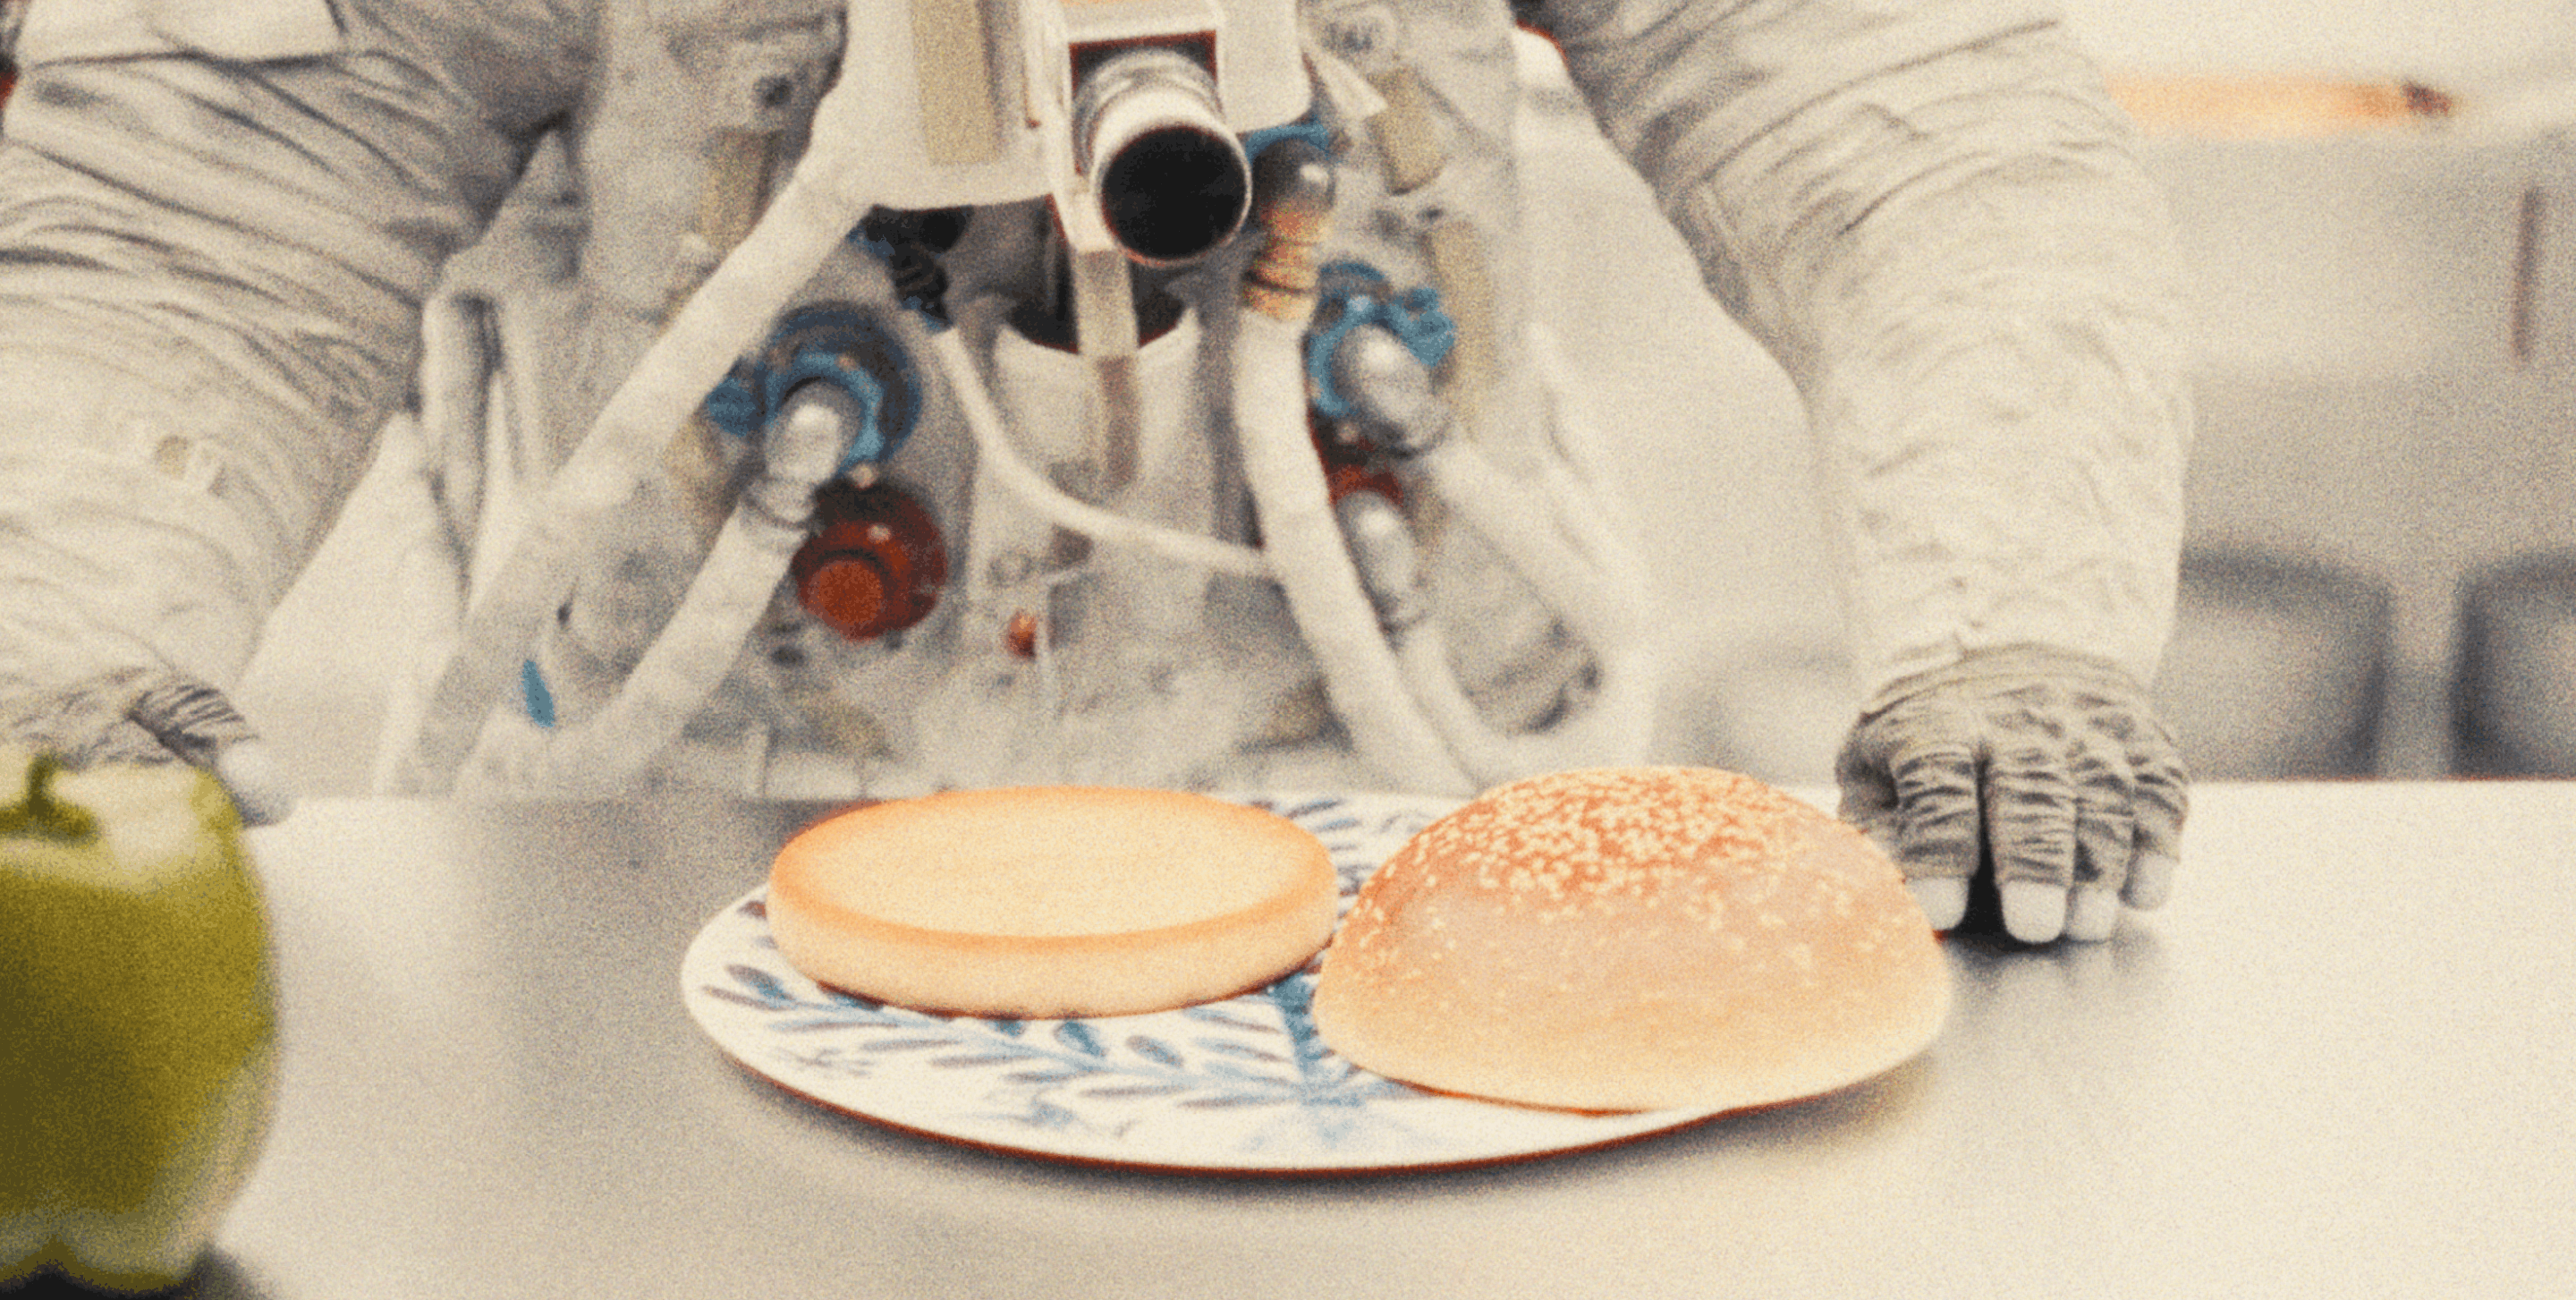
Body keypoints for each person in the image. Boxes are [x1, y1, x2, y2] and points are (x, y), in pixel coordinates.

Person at [0, 0, 2190, 945]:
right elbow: (205, 228)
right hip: (670, 845)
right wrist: (64, 642)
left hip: (1401, 820)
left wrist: (2015, 636)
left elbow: (1918, 139)